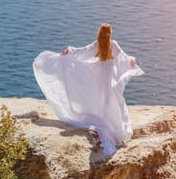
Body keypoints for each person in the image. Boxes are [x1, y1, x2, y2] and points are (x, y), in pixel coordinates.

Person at [33, 23, 144, 155]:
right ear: (110, 33)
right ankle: (117, 131)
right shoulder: (113, 44)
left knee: (100, 97)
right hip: (110, 74)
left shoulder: (97, 44)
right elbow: (122, 57)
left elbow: (83, 52)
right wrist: (131, 61)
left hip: (100, 73)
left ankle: (108, 124)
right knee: (112, 99)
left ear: (100, 33)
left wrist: (69, 52)